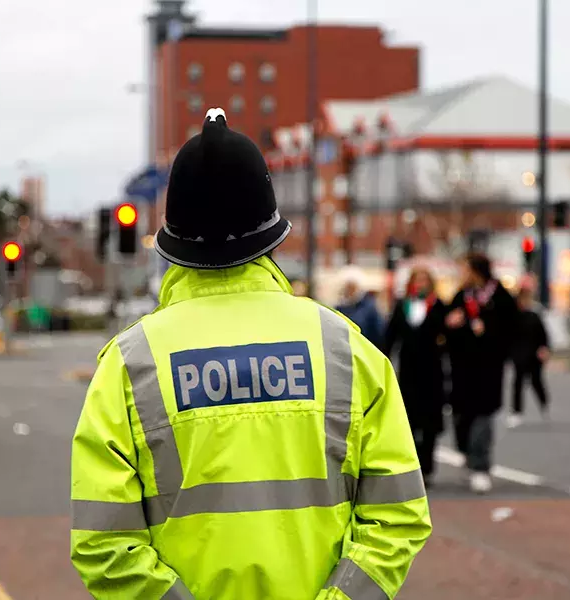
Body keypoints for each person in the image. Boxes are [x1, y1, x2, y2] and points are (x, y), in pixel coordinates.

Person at [70, 108, 431, 600]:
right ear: (273, 235)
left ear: (173, 241)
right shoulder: (344, 349)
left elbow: (104, 543)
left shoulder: (131, 364)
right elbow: (398, 514)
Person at [445, 254, 518, 493]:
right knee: (461, 417)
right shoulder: (461, 296)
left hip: (488, 367)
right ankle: (467, 454)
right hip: (462, 368)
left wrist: (489, 331)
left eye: (466, 269)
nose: (462, 274)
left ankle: (480, 466)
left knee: (483, 415)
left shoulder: (501, 297)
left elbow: (513, 329)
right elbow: (445, 329)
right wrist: (452, 324)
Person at [384, 267, 447, 486]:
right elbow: (391, 337)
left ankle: (427, 468)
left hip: (432, 372)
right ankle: (413, 467)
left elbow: (446, 334)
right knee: (408, 421)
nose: (420, 284)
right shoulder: (402, 305)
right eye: (417, 280)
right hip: (409, 372)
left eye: (424, 280)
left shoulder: (438, 305)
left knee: (430, 423)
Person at [508, 287, 550, 428]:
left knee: (536, 381)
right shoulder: (513, 316)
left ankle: (543, 403)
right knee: (518, 383)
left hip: (534, 355)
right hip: (519, 354)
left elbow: (543, 334)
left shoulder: (534, 316)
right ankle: (516, 412)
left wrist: (544, 348)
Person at [335, 265, 385, 348]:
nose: (348, 291)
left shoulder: (369, 308)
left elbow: (378, 333)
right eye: (347, 287)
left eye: (351, 287)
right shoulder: (339, 308)